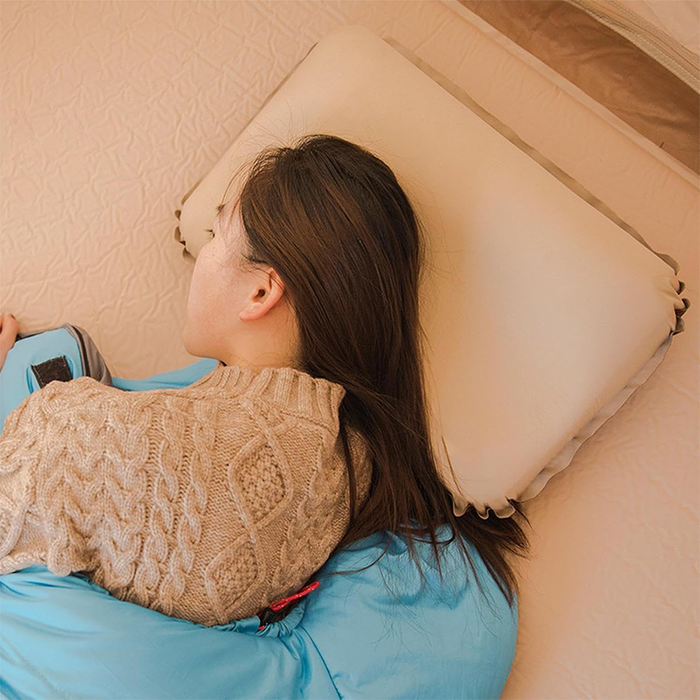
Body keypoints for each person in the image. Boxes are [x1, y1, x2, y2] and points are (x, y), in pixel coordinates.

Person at [0, 133, 532, 629]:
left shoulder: (83, 432)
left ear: (261, 293)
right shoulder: (349, 471)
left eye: (215, 235)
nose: (202, 256)